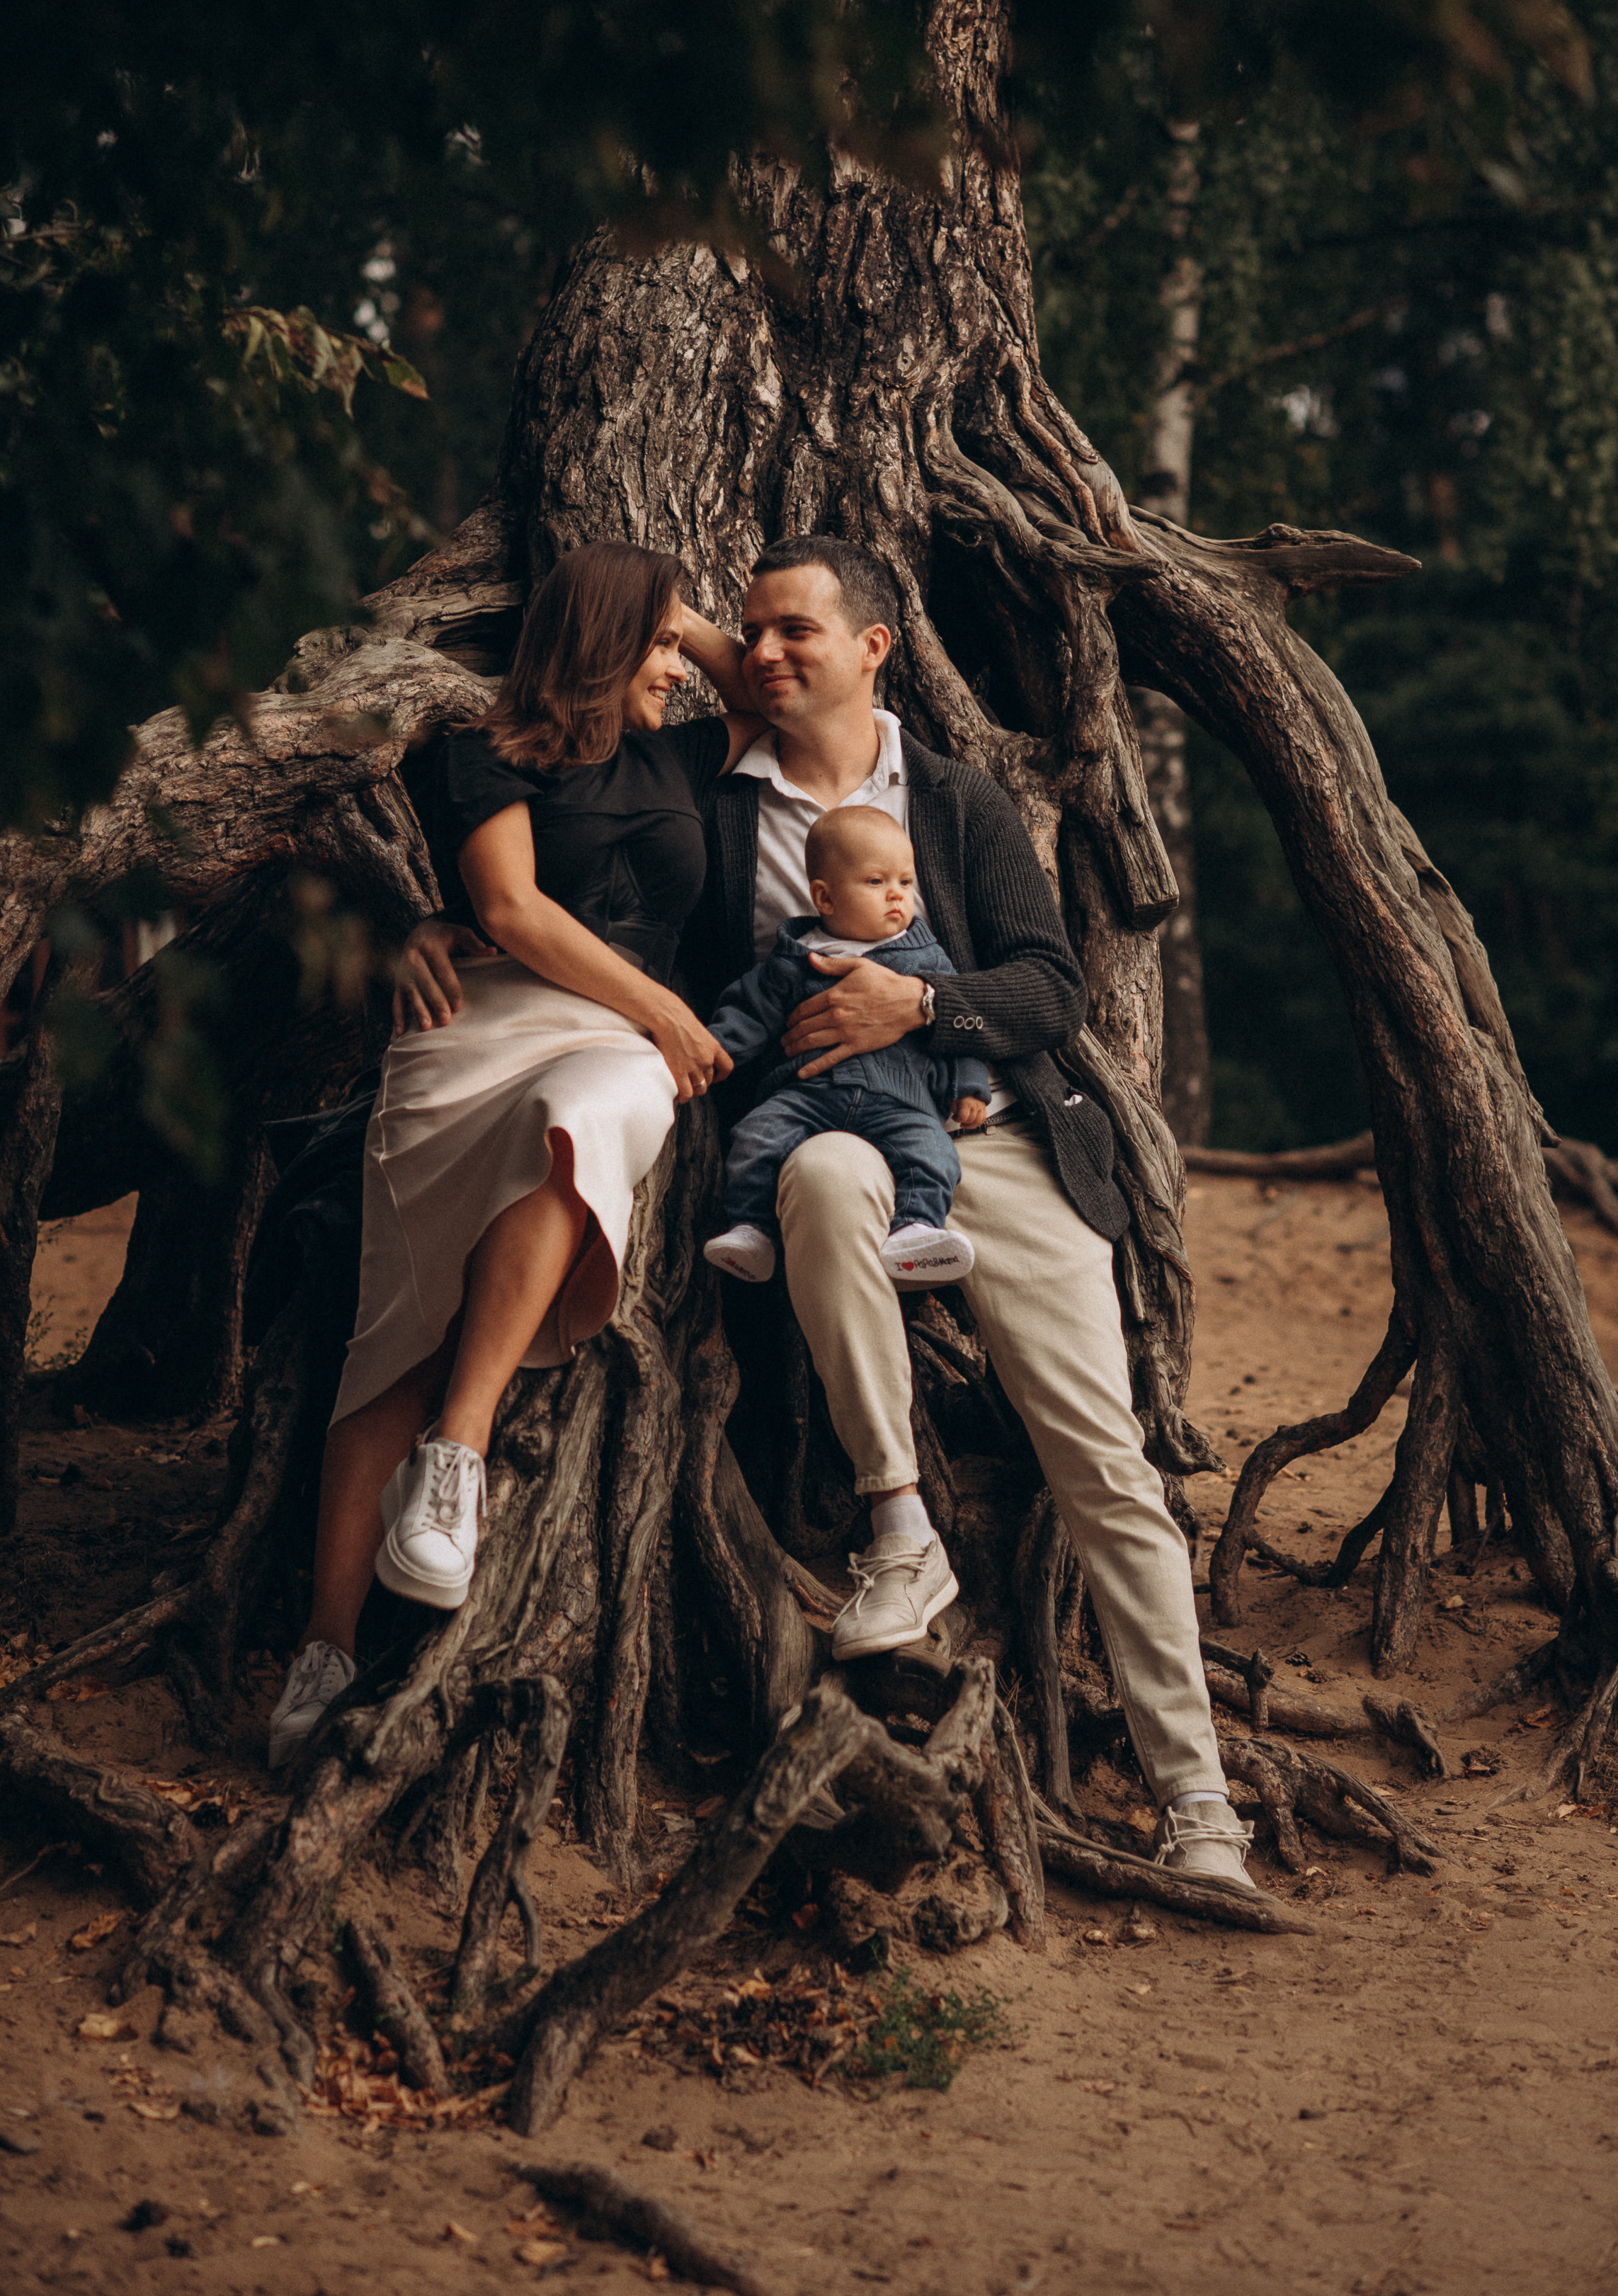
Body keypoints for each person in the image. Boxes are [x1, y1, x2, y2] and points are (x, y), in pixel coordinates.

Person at [397, 533, 1255, 1889]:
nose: (768, 650)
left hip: (993, 1138)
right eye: (752, 632)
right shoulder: (694, 783)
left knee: (1103, 1461)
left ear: (876, 650)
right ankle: (897, 1532)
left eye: (803, 629)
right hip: (822, 1137)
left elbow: (1051, 984)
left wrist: (922, 1002)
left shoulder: (958, 802)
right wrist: (429, 924)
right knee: (817, 1177)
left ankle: (1196, 1801)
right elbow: (548, 854)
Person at [266, 540, 765, 1769]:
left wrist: (680, 617)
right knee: (391, 1333)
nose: (676, 670)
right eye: (650, 647)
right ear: (596, 646)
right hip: (473, 1030)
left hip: (613, 1045)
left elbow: (786, 702)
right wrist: (666, 1009)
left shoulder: (688, 753)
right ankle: (322, 1649)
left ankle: (460, 1453)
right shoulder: (478, 748)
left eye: (677, 651)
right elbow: (510, 912)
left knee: (586, 1120)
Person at [701, 803, 988, 1295]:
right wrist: (716, 1053)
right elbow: (748, 1011)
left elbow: (958, 1034)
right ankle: (752, 1230)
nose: (896, 895)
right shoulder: (794, 958)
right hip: (805, 1095)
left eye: (904, 881)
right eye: (875, 882)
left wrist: (968, 1087)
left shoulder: (926, 959)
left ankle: (916, 1229)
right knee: (756, 1137)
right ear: (825, 898)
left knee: (932, 1152)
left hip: (901, 1102)